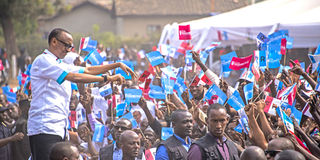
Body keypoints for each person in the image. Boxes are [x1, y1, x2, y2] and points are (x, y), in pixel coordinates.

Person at [28, 28, 136, 160]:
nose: (68, 50)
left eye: (71, 47)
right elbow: (75, 77)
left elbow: (87, 70)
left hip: (59, 127)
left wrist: (116, 65)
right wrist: (107, 78)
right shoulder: (43, 60)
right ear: (54, 41)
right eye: (66, 45)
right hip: (44, 127)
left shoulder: (59, 63)